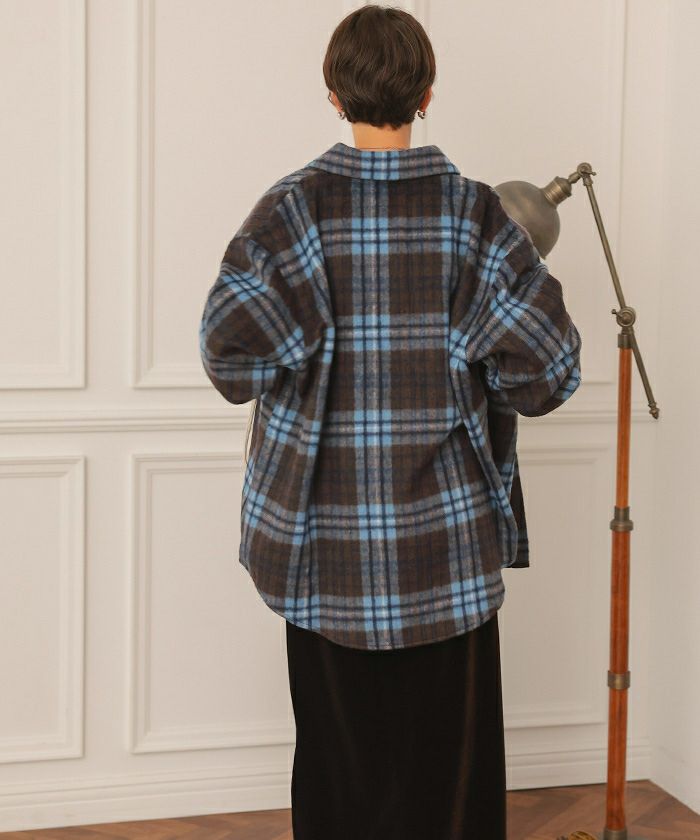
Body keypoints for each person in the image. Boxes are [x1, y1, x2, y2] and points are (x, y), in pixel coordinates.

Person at [199, 5, 582, 839]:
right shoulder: (477, 218)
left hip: (322, 551)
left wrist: (309, 331)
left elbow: (229, 363)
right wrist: (478, 354)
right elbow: (550, 374)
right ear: (427, 94)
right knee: (451, 787)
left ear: (334, 95)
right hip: (447, 548)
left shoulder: (290, 214)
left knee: (339, 779)